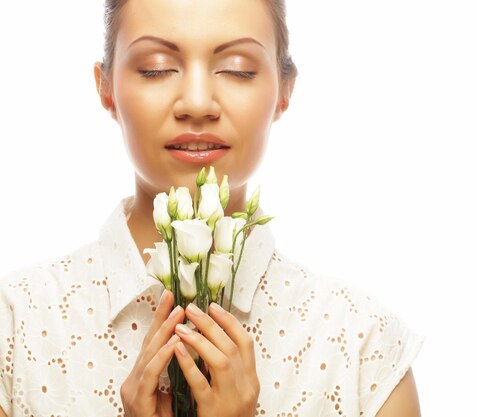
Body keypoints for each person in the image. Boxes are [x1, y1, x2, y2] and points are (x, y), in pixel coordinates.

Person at [0, 0, 424, 415]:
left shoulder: (363, 348)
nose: (198, 103)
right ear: (106, 88)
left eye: (237, 69)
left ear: (284, 91)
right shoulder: (16, 328)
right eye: (157, 68)